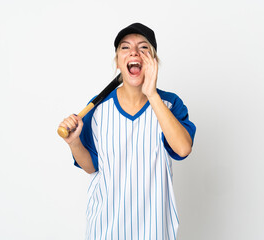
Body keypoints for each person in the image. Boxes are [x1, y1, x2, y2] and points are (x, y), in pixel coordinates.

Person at [59, 23, 196, 240]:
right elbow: (91, 166)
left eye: (143, 48)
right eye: (125, 47)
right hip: (105, 230)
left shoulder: (170, 104)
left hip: (155, 230)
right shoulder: (97, 109)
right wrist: (74, 142)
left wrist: (151, 93)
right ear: (117, 61)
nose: (134, 52)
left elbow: (183, 149)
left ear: (154, 61)